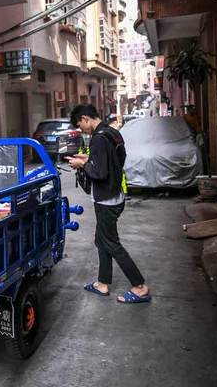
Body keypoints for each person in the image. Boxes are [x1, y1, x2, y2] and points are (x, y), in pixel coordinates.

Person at [67, 104, 151, 304]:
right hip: (114, 195)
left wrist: (82, 164)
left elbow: (100, 173)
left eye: (81, 125)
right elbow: (117, 160)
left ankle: (139, 287)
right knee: (101, 240)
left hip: (106, 200)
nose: (82, 130)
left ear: (86, 118)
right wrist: (90, 159)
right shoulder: (112, 132)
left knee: (111, 243)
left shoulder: (98, 138)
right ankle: (102, 283)